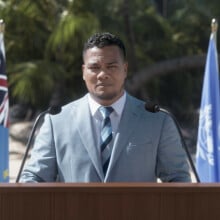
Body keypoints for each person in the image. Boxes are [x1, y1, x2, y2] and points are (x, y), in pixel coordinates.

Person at [20, 32, 191, 182]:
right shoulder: (55, 121)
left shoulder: (158, 120)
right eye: (94, 67)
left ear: (125, 69)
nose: (103, 74)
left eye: (112, 66)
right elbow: (35, 178)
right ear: (83, 72)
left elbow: (178, 179)